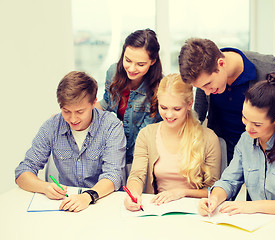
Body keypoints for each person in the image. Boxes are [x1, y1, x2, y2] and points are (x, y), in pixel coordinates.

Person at [198, 72, 275, 217]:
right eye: (244, 117)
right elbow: (229, 181)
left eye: (257, 124)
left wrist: (255, 206)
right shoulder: (245, 140)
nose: (248, 128)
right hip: (255, 226)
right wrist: (213, 199)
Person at [15, 71, 126, 212]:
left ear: (93, 103)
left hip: (103, 203)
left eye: (80, 112)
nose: (73, 119)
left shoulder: (111, 126)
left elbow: (113, 176)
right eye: (66, 111)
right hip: (67, 205)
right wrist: (45, 187)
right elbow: (23, 172)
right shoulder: (52, 126)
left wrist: (87, 197)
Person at [124, 73, 221, 211]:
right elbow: (137, 176)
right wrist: (132, 194)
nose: (169, 115)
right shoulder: (147, 135)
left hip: (195, 211)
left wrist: (182, 193)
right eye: (163, 108)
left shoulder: (209, 138)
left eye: (176, 109)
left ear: (189, 104)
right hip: (158, 210)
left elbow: (214, 190)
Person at [95, 29, 163, 173]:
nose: (131, 68)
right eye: (128, 60)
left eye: (140, 64)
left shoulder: (160, 86)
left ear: (153, 61)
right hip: (113, 150)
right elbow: (106, 104)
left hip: (141, 156)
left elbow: (147, 135)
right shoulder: (113, 73)